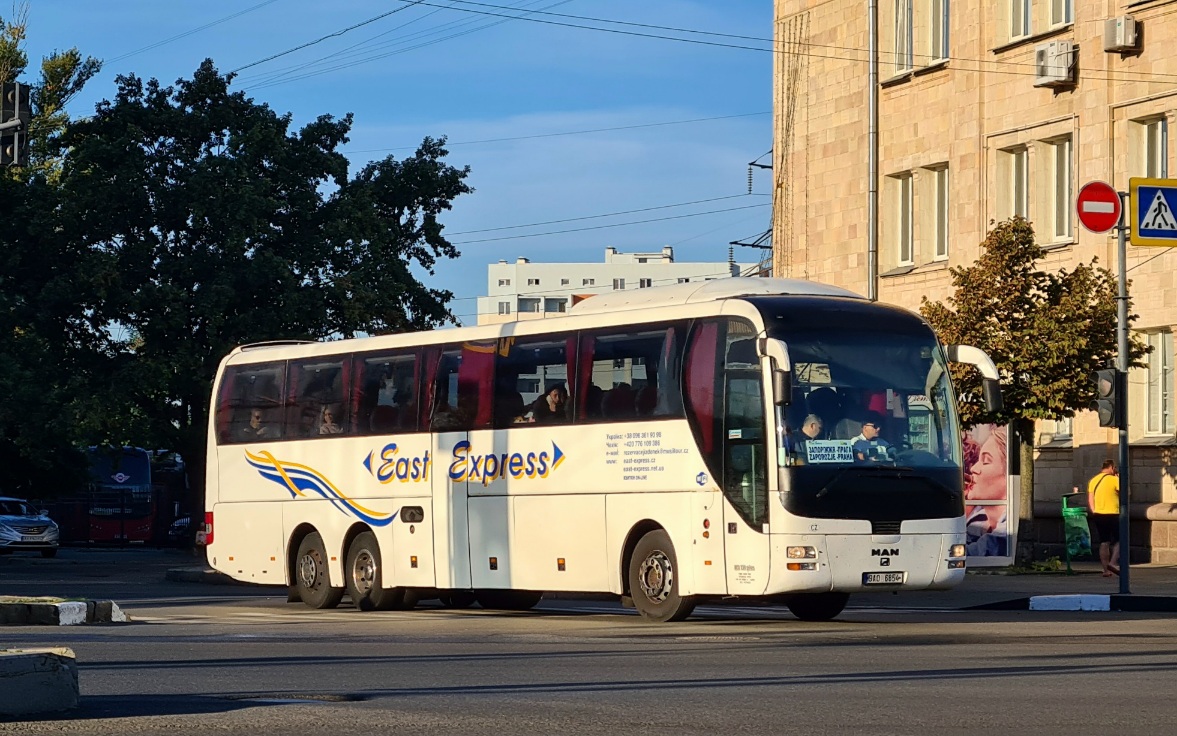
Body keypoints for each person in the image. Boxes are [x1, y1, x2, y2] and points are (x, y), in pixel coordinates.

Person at [965, 425, 1008, 557]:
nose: (973, 469)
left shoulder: (1008, 530)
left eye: (986, 461)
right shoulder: (975, 522)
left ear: (1008, 475)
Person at [1087, 459, 1121, 577]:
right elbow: (1126, 494)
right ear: (1111, 467)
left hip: (1098, 514)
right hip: (1113, 513)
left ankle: (1106, 570)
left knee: (1104, 542)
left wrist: (1094, 511)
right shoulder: (1115, 479)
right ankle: (1112, 563)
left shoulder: (1093, 480)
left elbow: (1091, 499)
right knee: (1120, 540)